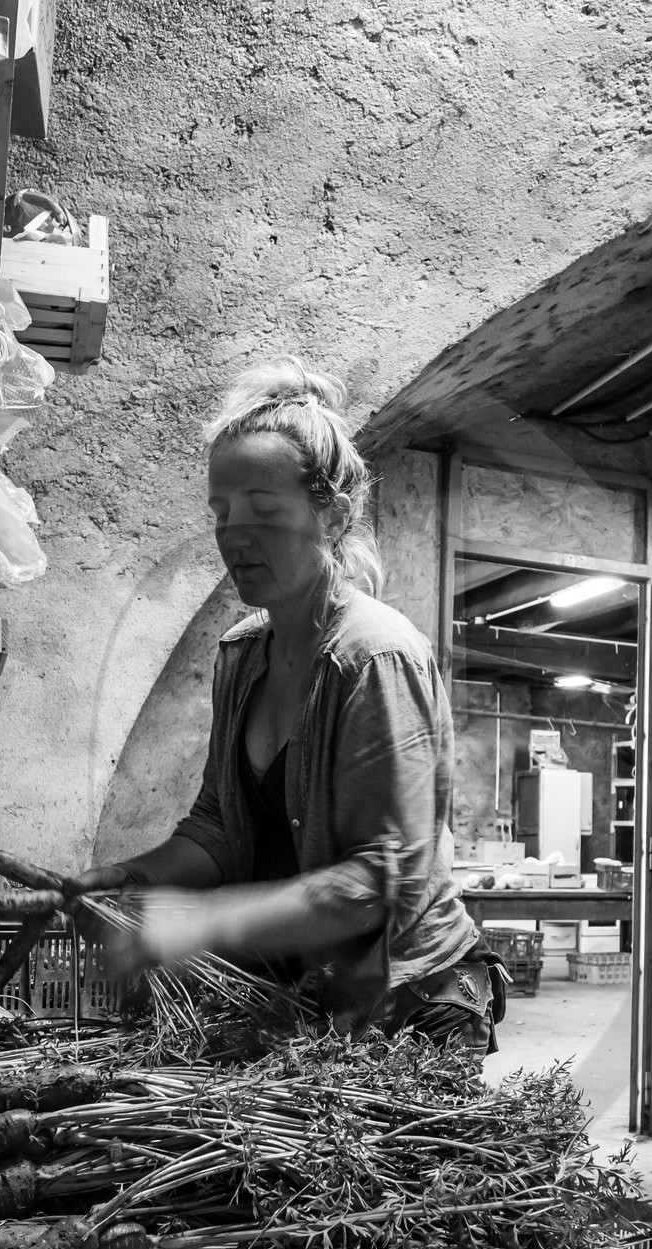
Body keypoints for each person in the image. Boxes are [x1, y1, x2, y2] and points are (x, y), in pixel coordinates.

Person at [75, 357, 502, 1050]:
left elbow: (377, 880)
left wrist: (203, 923)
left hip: (410, 1004)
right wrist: (129, 877)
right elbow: (218, 827)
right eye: (221, 512)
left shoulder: (375, 659)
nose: (233, 535)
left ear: (329, 516)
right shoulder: (243, 656)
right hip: (317, 997)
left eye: (264, 512)